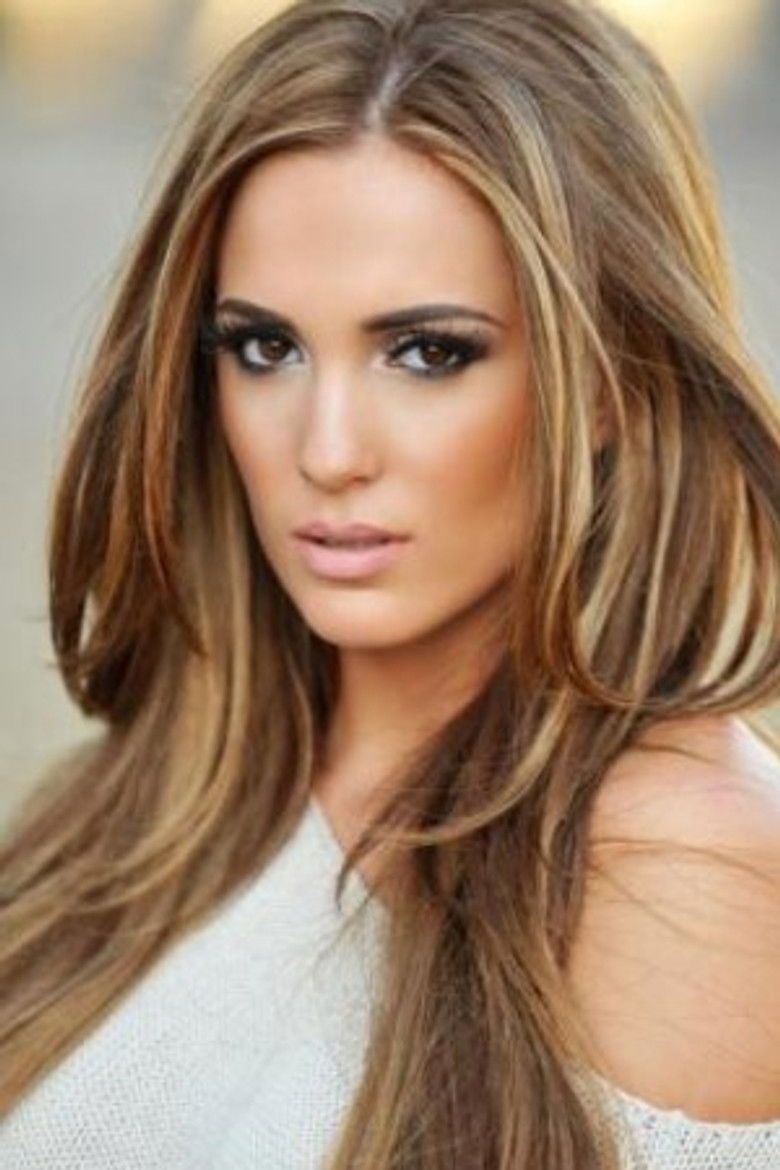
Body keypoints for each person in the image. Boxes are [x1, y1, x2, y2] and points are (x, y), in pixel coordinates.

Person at [1, 0, 779, 1166]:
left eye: (427, 352)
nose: (326, 451)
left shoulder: (689, 874)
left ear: (614, 381)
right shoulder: (144, 806)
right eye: (265, 347)